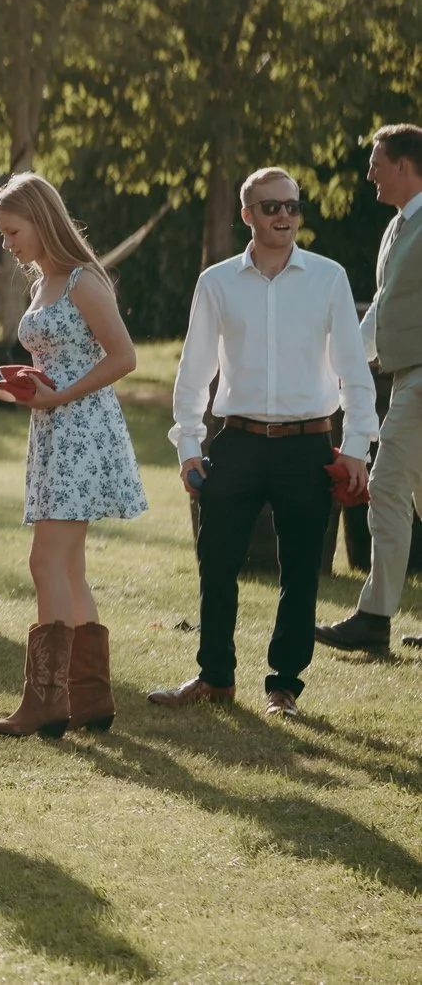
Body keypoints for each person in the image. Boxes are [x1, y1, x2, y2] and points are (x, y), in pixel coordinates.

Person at [151, 168, 376, 716]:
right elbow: (193, 372)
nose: (283, 216)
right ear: (247, 214)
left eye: (292, 207)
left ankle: (285, 686)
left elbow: (355, 370)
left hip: (309, 445)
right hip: (238, 442)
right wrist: (187, 446)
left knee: (301, 570)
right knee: (216, 561)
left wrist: (356, 447)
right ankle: (214, 677)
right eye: (271, 206)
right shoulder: (218, 282)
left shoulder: (328, 278)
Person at [0, 173, 144, 738]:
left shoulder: (82, 281)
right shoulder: (43, 282)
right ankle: (90, 698)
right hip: (53, 427)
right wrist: (6, 388)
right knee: (68, 566)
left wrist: (59, 397)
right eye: (2, 232)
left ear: (42, 222)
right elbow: (56, 363)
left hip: (82, 431)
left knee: (45, 562)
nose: (8, 243)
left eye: (13, 231)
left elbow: (124, 357)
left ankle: (46, 701)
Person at [316, 122, 422, 654]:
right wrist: (341, 365)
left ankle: (374, 619)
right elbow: (383, 305)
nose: (370, 174)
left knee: (383, 489)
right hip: (404, 373)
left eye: (377, 163)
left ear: (404, 165)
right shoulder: (398, 227)